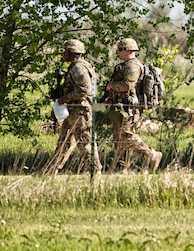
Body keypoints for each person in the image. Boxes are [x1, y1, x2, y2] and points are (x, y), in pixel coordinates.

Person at [104, 38, 162, 172]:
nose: (118, 53)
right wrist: (110, 98)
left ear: (128, 50)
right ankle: (121, 168)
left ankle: (151, 155)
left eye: (120, 50)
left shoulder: (132, 66)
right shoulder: (123, 66)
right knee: (118, 138)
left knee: (126, 134)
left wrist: (110, 86)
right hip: (121, 106)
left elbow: (127, 85)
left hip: (131, 108)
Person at [47, 39, 102, 175]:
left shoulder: (78, 68)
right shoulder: (78, 66)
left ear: (72, 52)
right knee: (63, 141)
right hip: (73, 110)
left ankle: (95, 171)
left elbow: (83, 90)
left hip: (80, 111)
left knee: (85, 142)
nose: (63, 54)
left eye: (65, 51)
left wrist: (63, 98)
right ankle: (51, 170)